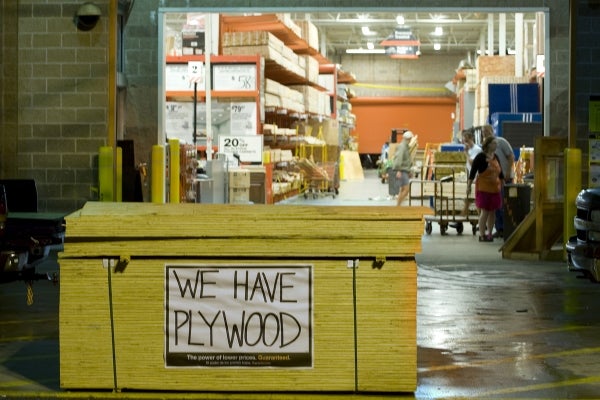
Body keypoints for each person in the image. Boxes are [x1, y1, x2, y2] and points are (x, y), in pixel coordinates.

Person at [467, 136, 504, 242]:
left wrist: (502, 184)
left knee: (493, 212)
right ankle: (482, 234)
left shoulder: (496, 157)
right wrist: (469, 186)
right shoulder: (480, 157)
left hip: (495, 189)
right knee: (485, 212)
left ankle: (490, 234)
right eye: (494, 143)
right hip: (483, 189)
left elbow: (500, 173)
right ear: (488, 145)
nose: (496, 145)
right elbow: (473, 172)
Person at [482, 124, 514, 238]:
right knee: (496, 206)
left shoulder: (501, 142)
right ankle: (499, 228)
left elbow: (511, 157)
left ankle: (507, 229)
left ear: (492, 131)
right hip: (494, 181)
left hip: (506, 178)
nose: (485, 133)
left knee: (505, 205)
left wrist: (507, 172)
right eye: (483, 132)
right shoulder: (486, 148)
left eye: (487, 131)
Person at [392, 131, 414, 206]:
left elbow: (406, 159)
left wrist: (409, 171)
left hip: (404, 170)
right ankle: (398, 206)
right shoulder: (403, 147)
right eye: (411, 138)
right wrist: (398, 170)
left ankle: (398, 206)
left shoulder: (405, 146)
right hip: (402, 170)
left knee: (402, 190)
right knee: (406, 190)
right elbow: (399, 158)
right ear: (409, 138)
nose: (411, 140)